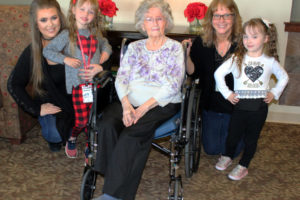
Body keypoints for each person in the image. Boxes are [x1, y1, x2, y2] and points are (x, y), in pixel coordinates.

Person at [92, 0, 185, 199]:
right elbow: (121, 78)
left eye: (158, 19)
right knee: (107, 124)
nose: (154, 23)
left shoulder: (175, 48)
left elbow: (173, 85)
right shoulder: (134, 47)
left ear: (166, 22)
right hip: (130, 100)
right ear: (142, 24)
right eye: (149, 19)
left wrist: (142, 108)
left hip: (161, 103)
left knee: (131, 135)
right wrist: (126, 106)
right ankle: (116, 173)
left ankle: (113, 194)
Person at [214, 18, 289, 180]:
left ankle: (243, 165)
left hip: (259, 107)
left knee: (251, 138)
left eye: (254, 36)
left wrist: (274, 92)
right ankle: (227, 155)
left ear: (266, 38)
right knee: (233, 134)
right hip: (240, 106)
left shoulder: (270, 61)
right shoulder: (236, 58)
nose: (249, 41)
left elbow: (284, 77)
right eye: (246, 36)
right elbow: (218, 74)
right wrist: (227, 93)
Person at [43, 0, 112, 158]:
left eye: (90, 11)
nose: (86, 15)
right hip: (78, 86)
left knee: (92, 118)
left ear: (95, 15)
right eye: (82, 9)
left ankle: (90, 143)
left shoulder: (95, 32)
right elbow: (48, 51)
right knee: (81, 121)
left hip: (95, 85)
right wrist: (65, 59)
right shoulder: (67, 34)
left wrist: (102, 58)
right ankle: (72, 137)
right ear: (73, 10)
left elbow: (106, 45)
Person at [7, 0, 73, 152]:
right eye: (43, 20)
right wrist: (36, 108)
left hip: (73, 102)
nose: (50, 24)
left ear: (60, 18)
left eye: (54, 18)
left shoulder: (73, 41)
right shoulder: (33, 51)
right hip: (51, 105)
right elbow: (13, 84)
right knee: (54, 135)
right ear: (36, 24)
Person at [184, 0, 244, 156]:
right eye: (217, 15)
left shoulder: (244, 43)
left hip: (236, 104)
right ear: (211, 18)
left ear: (234, 17)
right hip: (211, 104)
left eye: (226, 15)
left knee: (231, 151)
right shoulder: (201, 42)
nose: (221, 20)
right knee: (211, 149)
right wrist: (186, 56)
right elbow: (193, 73)